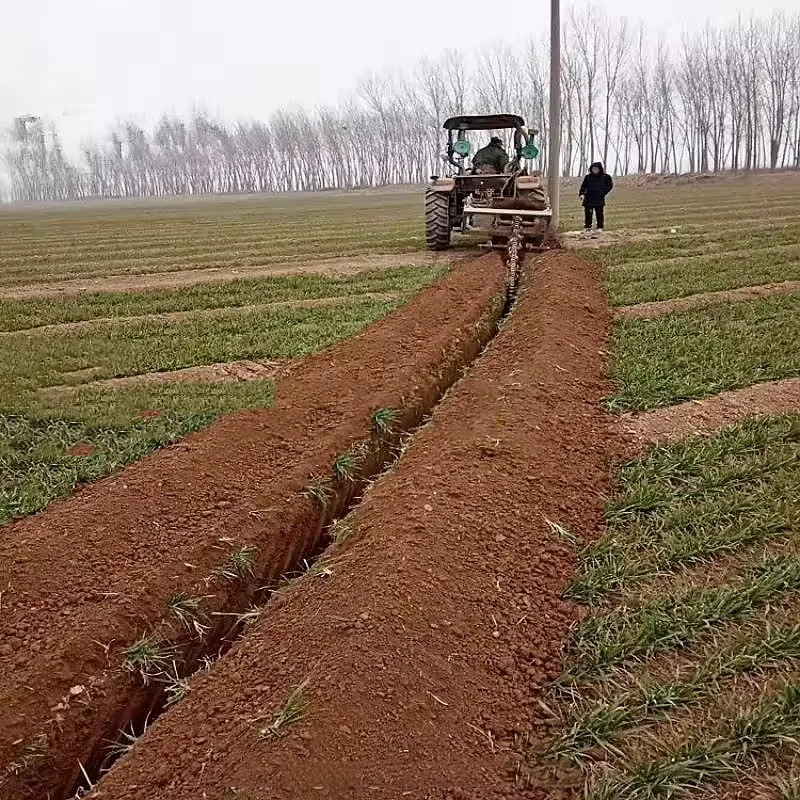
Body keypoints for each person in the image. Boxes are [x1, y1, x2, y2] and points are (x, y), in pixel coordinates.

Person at [579, 161, 614, 232]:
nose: (594, 170)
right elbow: (583, 186)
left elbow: (610, 186)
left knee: (599, 214)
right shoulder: (588, 177)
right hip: (589, 198)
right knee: (588, 214)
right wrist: (582, 194)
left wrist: (603, 192)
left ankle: (600, 227)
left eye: (596, 169)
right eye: (593, 169)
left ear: (600, 169)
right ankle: (588, 227)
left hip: (599, 198)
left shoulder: (606, 177)